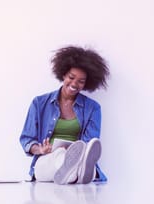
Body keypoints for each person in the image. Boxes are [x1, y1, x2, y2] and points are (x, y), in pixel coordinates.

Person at [20, 45, 109, 185]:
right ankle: (79, 172)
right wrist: (41, 149)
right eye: (71, 77)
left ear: (86, 83)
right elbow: (26, 139)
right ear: (63, 74)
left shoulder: (93, 108)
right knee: (59, 156)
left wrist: (75, 151)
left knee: (78, 156)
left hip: (78, 157)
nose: (74, 84)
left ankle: (76, 170)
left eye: (81, 81)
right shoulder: (39, 103)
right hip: (47, 159)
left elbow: (90, 142)